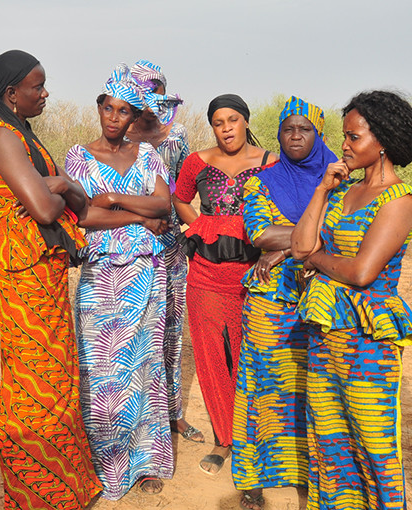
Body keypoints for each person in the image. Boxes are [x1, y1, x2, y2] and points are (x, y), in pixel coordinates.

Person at [291, 90, 412, 509]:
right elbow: (299, 246)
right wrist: (321, 188)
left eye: (354, 137)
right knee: (329, 444)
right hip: (325, 334)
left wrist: (318, 259)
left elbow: (362, 272)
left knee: (375, 447)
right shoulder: (341, 190)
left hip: (368, 342)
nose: (345, 145)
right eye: (344, 136)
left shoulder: (400, 199)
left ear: (382, 139)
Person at [0, 50, 101, 509]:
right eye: (37, 86)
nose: (45, 93)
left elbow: (74, 205)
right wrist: (61, 184)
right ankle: (37, 492)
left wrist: (57, 184)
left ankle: (64, 486)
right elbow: (47, 209)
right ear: (12, 93)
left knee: (56, 374)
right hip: (23, 273)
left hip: (41, 272)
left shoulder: (23, 136)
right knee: (33, 386)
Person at [64, 63, 182, 499]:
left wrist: (112, 199)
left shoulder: (148, 155)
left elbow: (164, 208)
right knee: (103, 372)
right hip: (101, 275)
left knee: (145, 370)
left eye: (124, 112)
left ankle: (147, 463)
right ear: (99, 107)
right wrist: (132, 211)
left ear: (134, 117)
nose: (114, 118)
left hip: (145, 275)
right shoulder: (77, 156)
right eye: (108, 109)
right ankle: (105, 466)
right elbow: (84, 215)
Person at [232, 96, 338, 510]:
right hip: (271, 302)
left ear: (318, 134)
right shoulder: (262, 180)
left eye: (304, 129)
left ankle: (308, 475)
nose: (295, 136)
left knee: (313, 388)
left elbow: (346, 229)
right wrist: (303, 237)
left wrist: (286, 244)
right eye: (288, 129)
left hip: (322, 297)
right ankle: (253, 477)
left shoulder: (340, 180)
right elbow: (259, 234)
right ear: (278, 134)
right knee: (262, 387)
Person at [173, 94, 278, 475]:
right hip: (205, 274)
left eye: (233, 119)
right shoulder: (197, 162)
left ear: (246, 121)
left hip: (258, 275)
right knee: (213, 356)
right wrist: (202, 225)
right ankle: (224, 439)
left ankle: (260, 438)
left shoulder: (272, 162)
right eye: (218, 122)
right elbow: (180, 198)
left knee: (254, 356)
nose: (227, 128)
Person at [126, 59, 203, 443]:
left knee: (171, 328)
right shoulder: (120, 130)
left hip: (170, 241)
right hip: (131, 240)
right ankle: (134, 416)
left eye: (157, 89)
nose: (151, 96)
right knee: (135, 330)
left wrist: (193, 229)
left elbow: (182, 188)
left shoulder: (178, 134)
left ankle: (172, 413)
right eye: (145, 89)